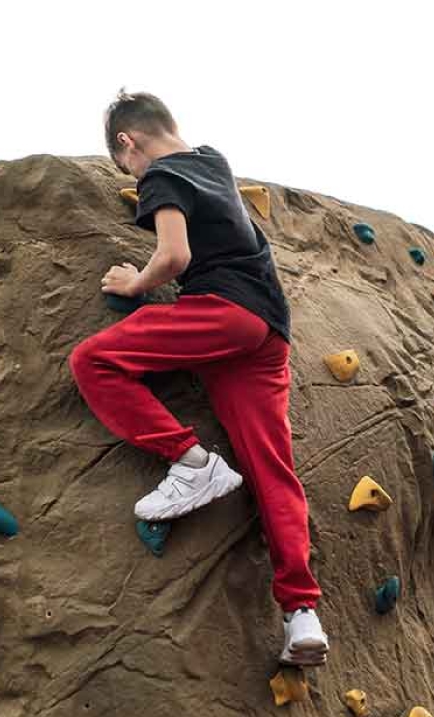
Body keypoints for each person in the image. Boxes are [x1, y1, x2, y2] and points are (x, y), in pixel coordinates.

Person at [68, 88, 328, 666]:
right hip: (267, 329)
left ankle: (191, 463)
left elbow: (174, 256)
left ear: (127, 142)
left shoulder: (160, 175)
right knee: (271, 469)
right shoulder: (214, 161)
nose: (133, 173)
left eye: (125, 164)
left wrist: (136, 284)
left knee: (93, 361)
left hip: (222, 312)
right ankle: (302, 616)